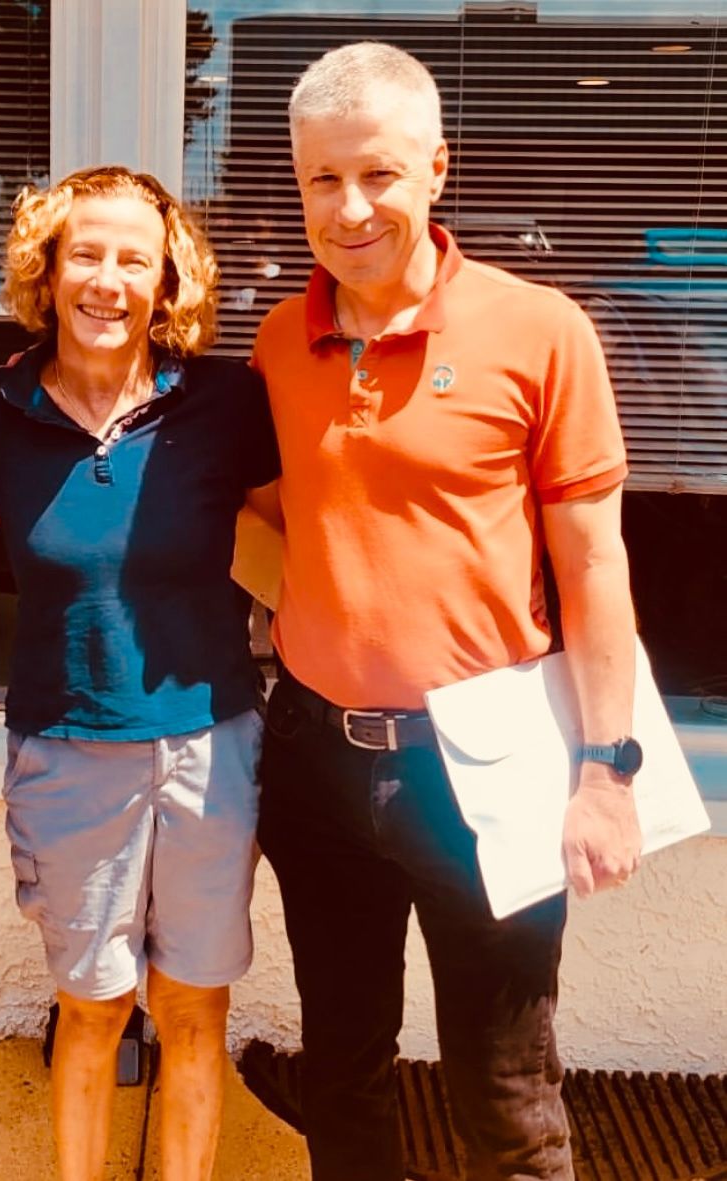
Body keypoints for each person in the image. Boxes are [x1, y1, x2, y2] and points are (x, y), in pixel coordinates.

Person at [251, 42, 641, 1181]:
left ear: (435, 168)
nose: (350, 208)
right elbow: (273, 523)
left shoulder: (540, 330)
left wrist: (606, 770)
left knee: (505, 1088)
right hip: (316, 759)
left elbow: (595, 566)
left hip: (488, 765)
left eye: (378, 173)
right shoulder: (279, 339)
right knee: (341, 1067)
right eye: (323, 179)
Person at [0, 165, 281, 1181]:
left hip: (211, 747)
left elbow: (293, 556)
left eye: (136, 259)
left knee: (192, 1005)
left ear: (167, 281)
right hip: (69, 746)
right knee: (92, 1006)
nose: (108, 280)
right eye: (85, 253)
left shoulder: (223, 403)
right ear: (47, 270)